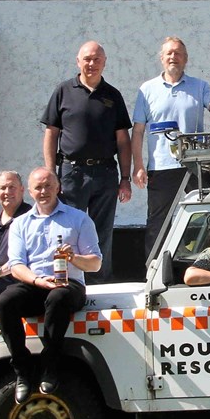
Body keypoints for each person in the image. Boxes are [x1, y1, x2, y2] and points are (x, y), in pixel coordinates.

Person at [0, 167, 102, 404]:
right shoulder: (20, 224)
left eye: (48, 186)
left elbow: (95, 264)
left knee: (57, 298)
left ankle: (50, 364)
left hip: (69, 285)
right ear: (30, 192)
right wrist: (36, 280)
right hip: (36, 282)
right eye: (38, 187)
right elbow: (16, 265)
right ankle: (22, 369)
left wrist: (74, 257)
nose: (43, 191)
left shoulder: (78, 219)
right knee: (5, 302)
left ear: (58, 188)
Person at [131, 37, 210, 258]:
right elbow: (138, 130)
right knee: (159, 224)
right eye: (169, 53)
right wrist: (138, 165)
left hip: (198, 163)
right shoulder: (147, 90)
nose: (173, 57)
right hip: (161, 167)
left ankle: (209, 265)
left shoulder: (200, 86)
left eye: (178, 53)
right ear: (161, 58)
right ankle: (153, 271)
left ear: (185, 59)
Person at [41, 41, 132, 280]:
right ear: (78, 61)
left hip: (105, 173)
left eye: (97, 59)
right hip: (72, 173)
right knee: (69, 230)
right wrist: (51, 174)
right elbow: (51, 133)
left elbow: (123, 140)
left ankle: (100, 282)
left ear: (104, 63)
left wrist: (125, 178)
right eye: (87, 59)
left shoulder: (113, 95)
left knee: (102, 232)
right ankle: (71, 281)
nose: (92, 64)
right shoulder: (63, 91)